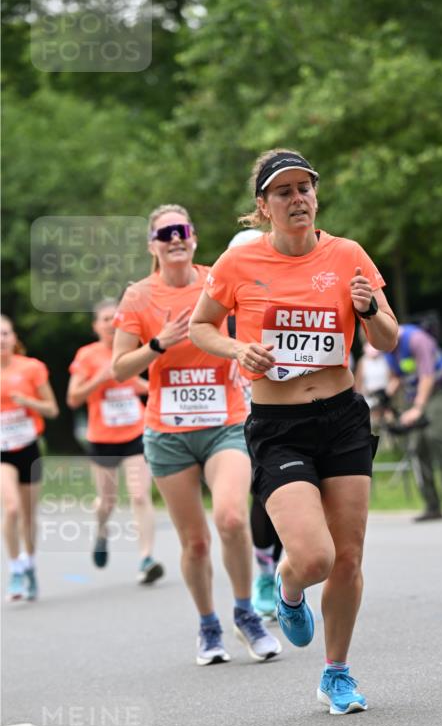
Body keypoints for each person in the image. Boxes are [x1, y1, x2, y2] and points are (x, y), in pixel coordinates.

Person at [190, 148, 398, 714]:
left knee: (348, 557)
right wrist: (238, 349)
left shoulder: (348, 254)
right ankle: (287, 584)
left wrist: (369, 311)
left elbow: (387, 339)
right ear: (264, 206)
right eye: (283, 191)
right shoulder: (238, 264)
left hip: (342, 417)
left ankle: (337, 674)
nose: (298, 198)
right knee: (314, 559)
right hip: (278, 426)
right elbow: (201, 326)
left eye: (305, 188)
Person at [111, 204, 281, 664]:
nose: (175, 238)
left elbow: (258, 312)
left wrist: (246, 352)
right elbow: (119, 369)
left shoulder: (216, 279)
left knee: (231, 518)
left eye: (181, 230)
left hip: (224, 422)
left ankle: (245, 613)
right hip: (168, 434)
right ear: (152, 245)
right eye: (165, 232)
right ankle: (208, 624)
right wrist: (157, 344)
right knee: (196, 542)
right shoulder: (138, 297)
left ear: (194, 238)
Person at [67, 299, 164, 583]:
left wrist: (153, 389)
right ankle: (101, 531)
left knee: (139, 495)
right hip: (102, 439)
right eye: (105, 319)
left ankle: (146, 558)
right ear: (95, 326)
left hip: (135, 433)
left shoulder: (131, 349)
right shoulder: (86, 355)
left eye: (115, 318)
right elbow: (73, 399)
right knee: (106, 502)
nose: (111, 323)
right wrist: (100, 378)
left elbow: (140, 385)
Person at [226, 228, 283, 619]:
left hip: (286, 412)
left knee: (291, 493)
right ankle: (265, 573)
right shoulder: (219, 312)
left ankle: (284, 567)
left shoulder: (284, 301)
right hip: (239, 418)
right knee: (261, 494)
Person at [384, 322, 442, 520]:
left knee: (435, 436)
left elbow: (427, 376)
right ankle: (432, 505)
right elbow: (397, 376)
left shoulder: (417, 340)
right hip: (413, 395)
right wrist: (385, 399)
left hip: (437, 392)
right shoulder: (386, 346)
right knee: (416, 446)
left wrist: (418, 408)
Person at [0, 314, 59, 601]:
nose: (1, 339)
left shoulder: (32, 368)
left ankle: (30, 565)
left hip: (28, 447)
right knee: (11, 508)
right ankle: (15, 569)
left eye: (5, 333)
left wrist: (27, 402)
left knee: (27, 515)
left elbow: (52, 410)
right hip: (3, 452)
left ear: (14, 338)